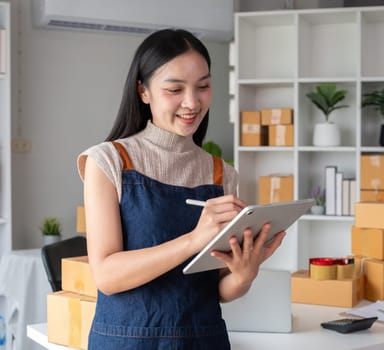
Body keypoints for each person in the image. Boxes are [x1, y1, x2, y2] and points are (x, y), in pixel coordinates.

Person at [77, 28, 286, 349]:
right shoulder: (107, 160)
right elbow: (106, 276)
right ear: (143, 91)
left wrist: (244, 273)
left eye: (203, 86)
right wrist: (192, 241)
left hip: (204, 340)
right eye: (174, 88)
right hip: (126, 341)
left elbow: (216, 288)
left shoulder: (221, 173)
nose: (192, 102)